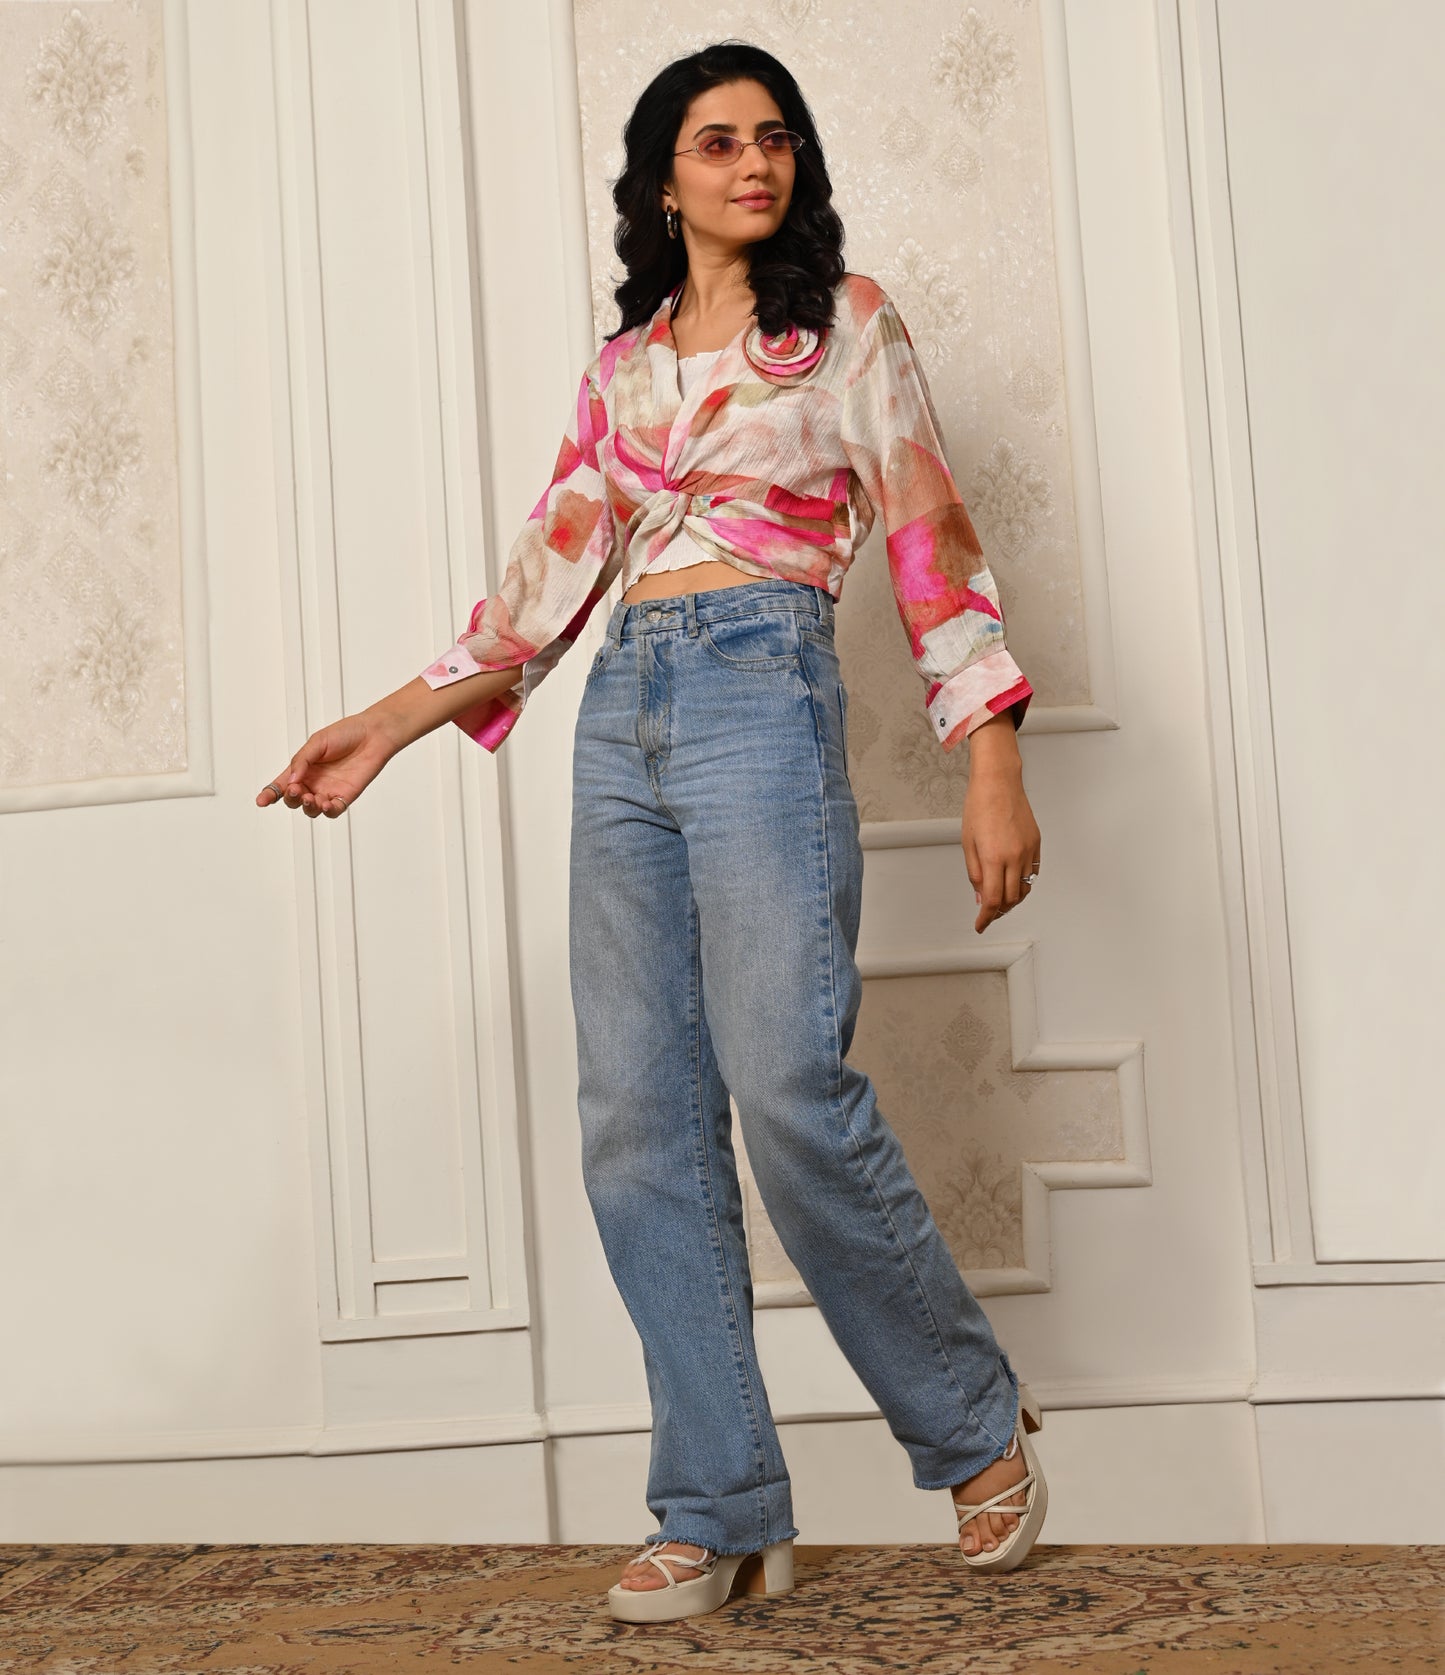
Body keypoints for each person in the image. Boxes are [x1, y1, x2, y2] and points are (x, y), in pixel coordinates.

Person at [258, 41, 1049, 1624]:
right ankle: (720, 1502)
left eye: (774, 140)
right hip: (620, 717)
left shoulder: (842, 328)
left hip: (763, 693)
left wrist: (992, 763)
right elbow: (540, 593)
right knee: (635, 1118)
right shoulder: (622, 370)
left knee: (786, 1089)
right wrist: (389, 724)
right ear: (664, 175)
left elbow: (929, 537)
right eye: (717, 142)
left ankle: (972, 1425)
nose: (753, 163)